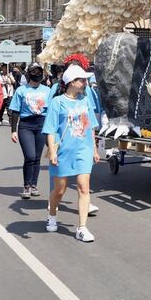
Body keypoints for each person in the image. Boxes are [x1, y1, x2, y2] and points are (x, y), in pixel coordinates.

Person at [44, 65, 101, 242]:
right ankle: (52, 213)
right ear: (71, 82)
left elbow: (91, 126)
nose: (85, 83)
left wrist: (94, 149)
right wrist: (52, 152)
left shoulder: (85, 101)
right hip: (63, 152)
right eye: (82, 80)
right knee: (59, 191)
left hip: (83, 150)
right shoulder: (57, 102)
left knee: (84, 188)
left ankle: (82, 228)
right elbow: (51, 130)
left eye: (85, 79)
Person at [9, 63, 52, 199]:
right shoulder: (21, 90)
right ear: (29, 74)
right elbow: (15, 111)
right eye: (34, 72)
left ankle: (34, 185)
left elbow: (52, 111)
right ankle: (26, 185)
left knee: (37, 157)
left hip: (42, 124)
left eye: (39, 72)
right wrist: (13, 130)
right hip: (26, 125)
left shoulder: (47, 90)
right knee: (30, 156)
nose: (37, 74)